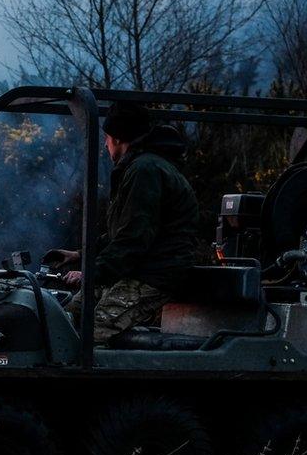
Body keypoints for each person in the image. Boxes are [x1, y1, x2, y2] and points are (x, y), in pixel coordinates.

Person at [45, 101, 199, 343]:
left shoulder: (145, 170)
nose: (105, 145)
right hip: (137, 270)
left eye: (106, 138)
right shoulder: (142, 167)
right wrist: (78, 255)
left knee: (90, 331)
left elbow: (133, 240)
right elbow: (124, 232)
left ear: (116, 138)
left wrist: (91, 273)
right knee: (66, 318)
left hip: (154, 275)